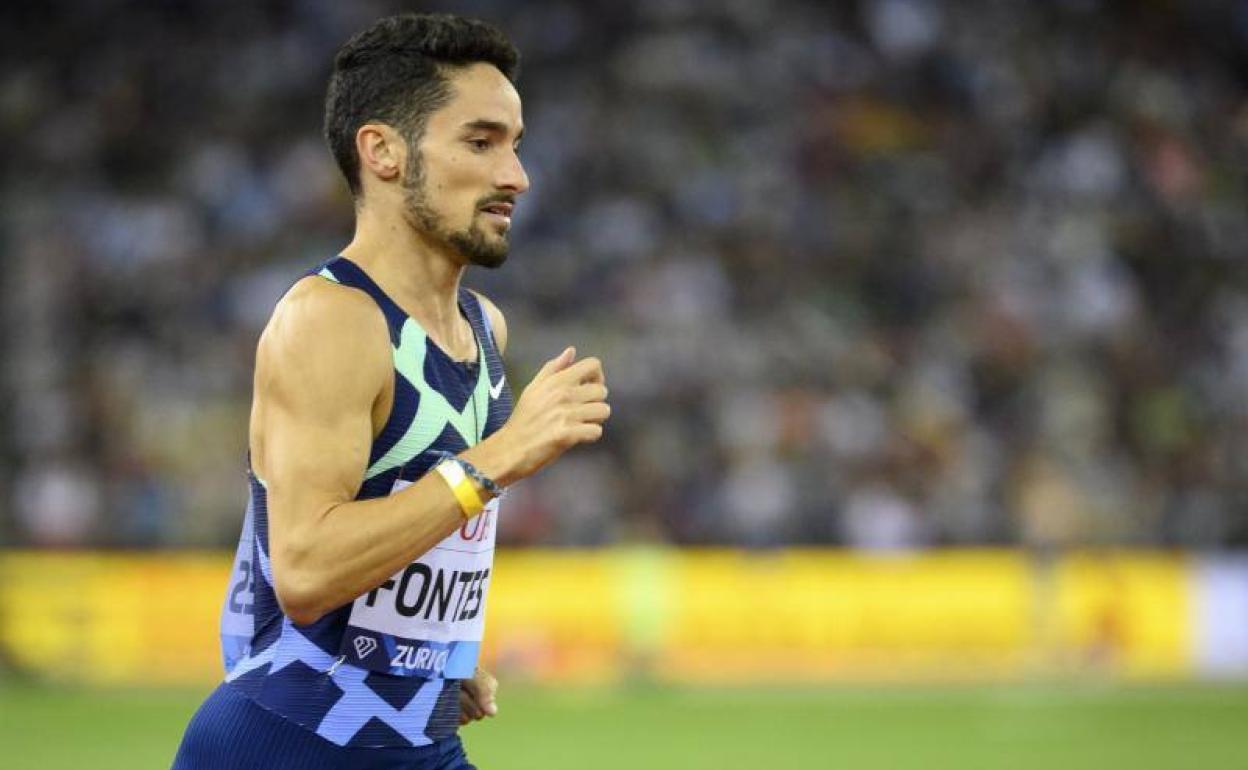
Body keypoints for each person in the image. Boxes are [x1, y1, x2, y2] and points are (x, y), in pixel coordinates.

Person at [172, 13, 610, 769]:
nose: (516, 176)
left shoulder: (483, 327)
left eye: (516, 143)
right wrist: (500, 456)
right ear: (382, 151)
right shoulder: (331, 320)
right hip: (290, 744)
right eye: (481, 142)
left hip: (412, 741)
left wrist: (432, 653)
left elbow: (410, 532)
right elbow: (306, 570)